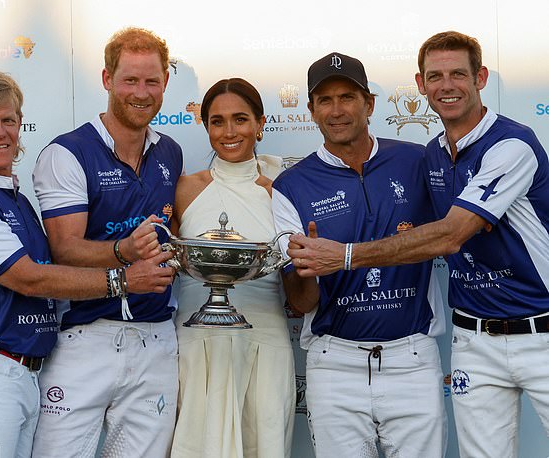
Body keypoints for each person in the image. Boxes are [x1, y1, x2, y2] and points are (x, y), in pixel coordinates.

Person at [288, 31, 549, 458]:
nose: (447, 85)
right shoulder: (430, 156)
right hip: (474, 340)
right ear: (421, 83)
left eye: (458, 74)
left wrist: (347, 255)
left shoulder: (511, 144)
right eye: (435, 76)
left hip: (542, 330)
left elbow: (450, 234)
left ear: (480, 77)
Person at [0, 70, 172, 458]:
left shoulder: (16, 199)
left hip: (21, 374)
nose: (0, 132)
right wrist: (123, 280)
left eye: (8, 120)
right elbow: (31, 279)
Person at [271, 52, 447, 458]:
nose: (337, 110)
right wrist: (306, 267)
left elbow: (453, 235)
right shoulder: (291, 186)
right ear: (311, 110)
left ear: (368, 103)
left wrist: (347, 255)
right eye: (325, 100)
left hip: (413, 358)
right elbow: (301, 301)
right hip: (335, 364)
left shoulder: (417, 160)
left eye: (347, 97)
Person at [31, 27, 183, 457]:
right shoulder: (67, 153)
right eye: (130, 80)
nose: (141, 91)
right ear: (106, 80)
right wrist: (123, 253)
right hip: (86, 337)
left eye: (152, 81)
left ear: (165, 84)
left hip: (156, 338)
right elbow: (65, 249)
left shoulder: (169, 151)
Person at [169, 78, 295, 458]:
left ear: (260, 124)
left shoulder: (281, 193)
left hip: (265, 338)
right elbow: (170, 258)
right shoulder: (184, 189)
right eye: (217, 121)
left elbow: (297, 277)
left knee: (264, 442)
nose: (229, 132)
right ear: (205, 126)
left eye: (240, 119)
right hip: (197, 340)